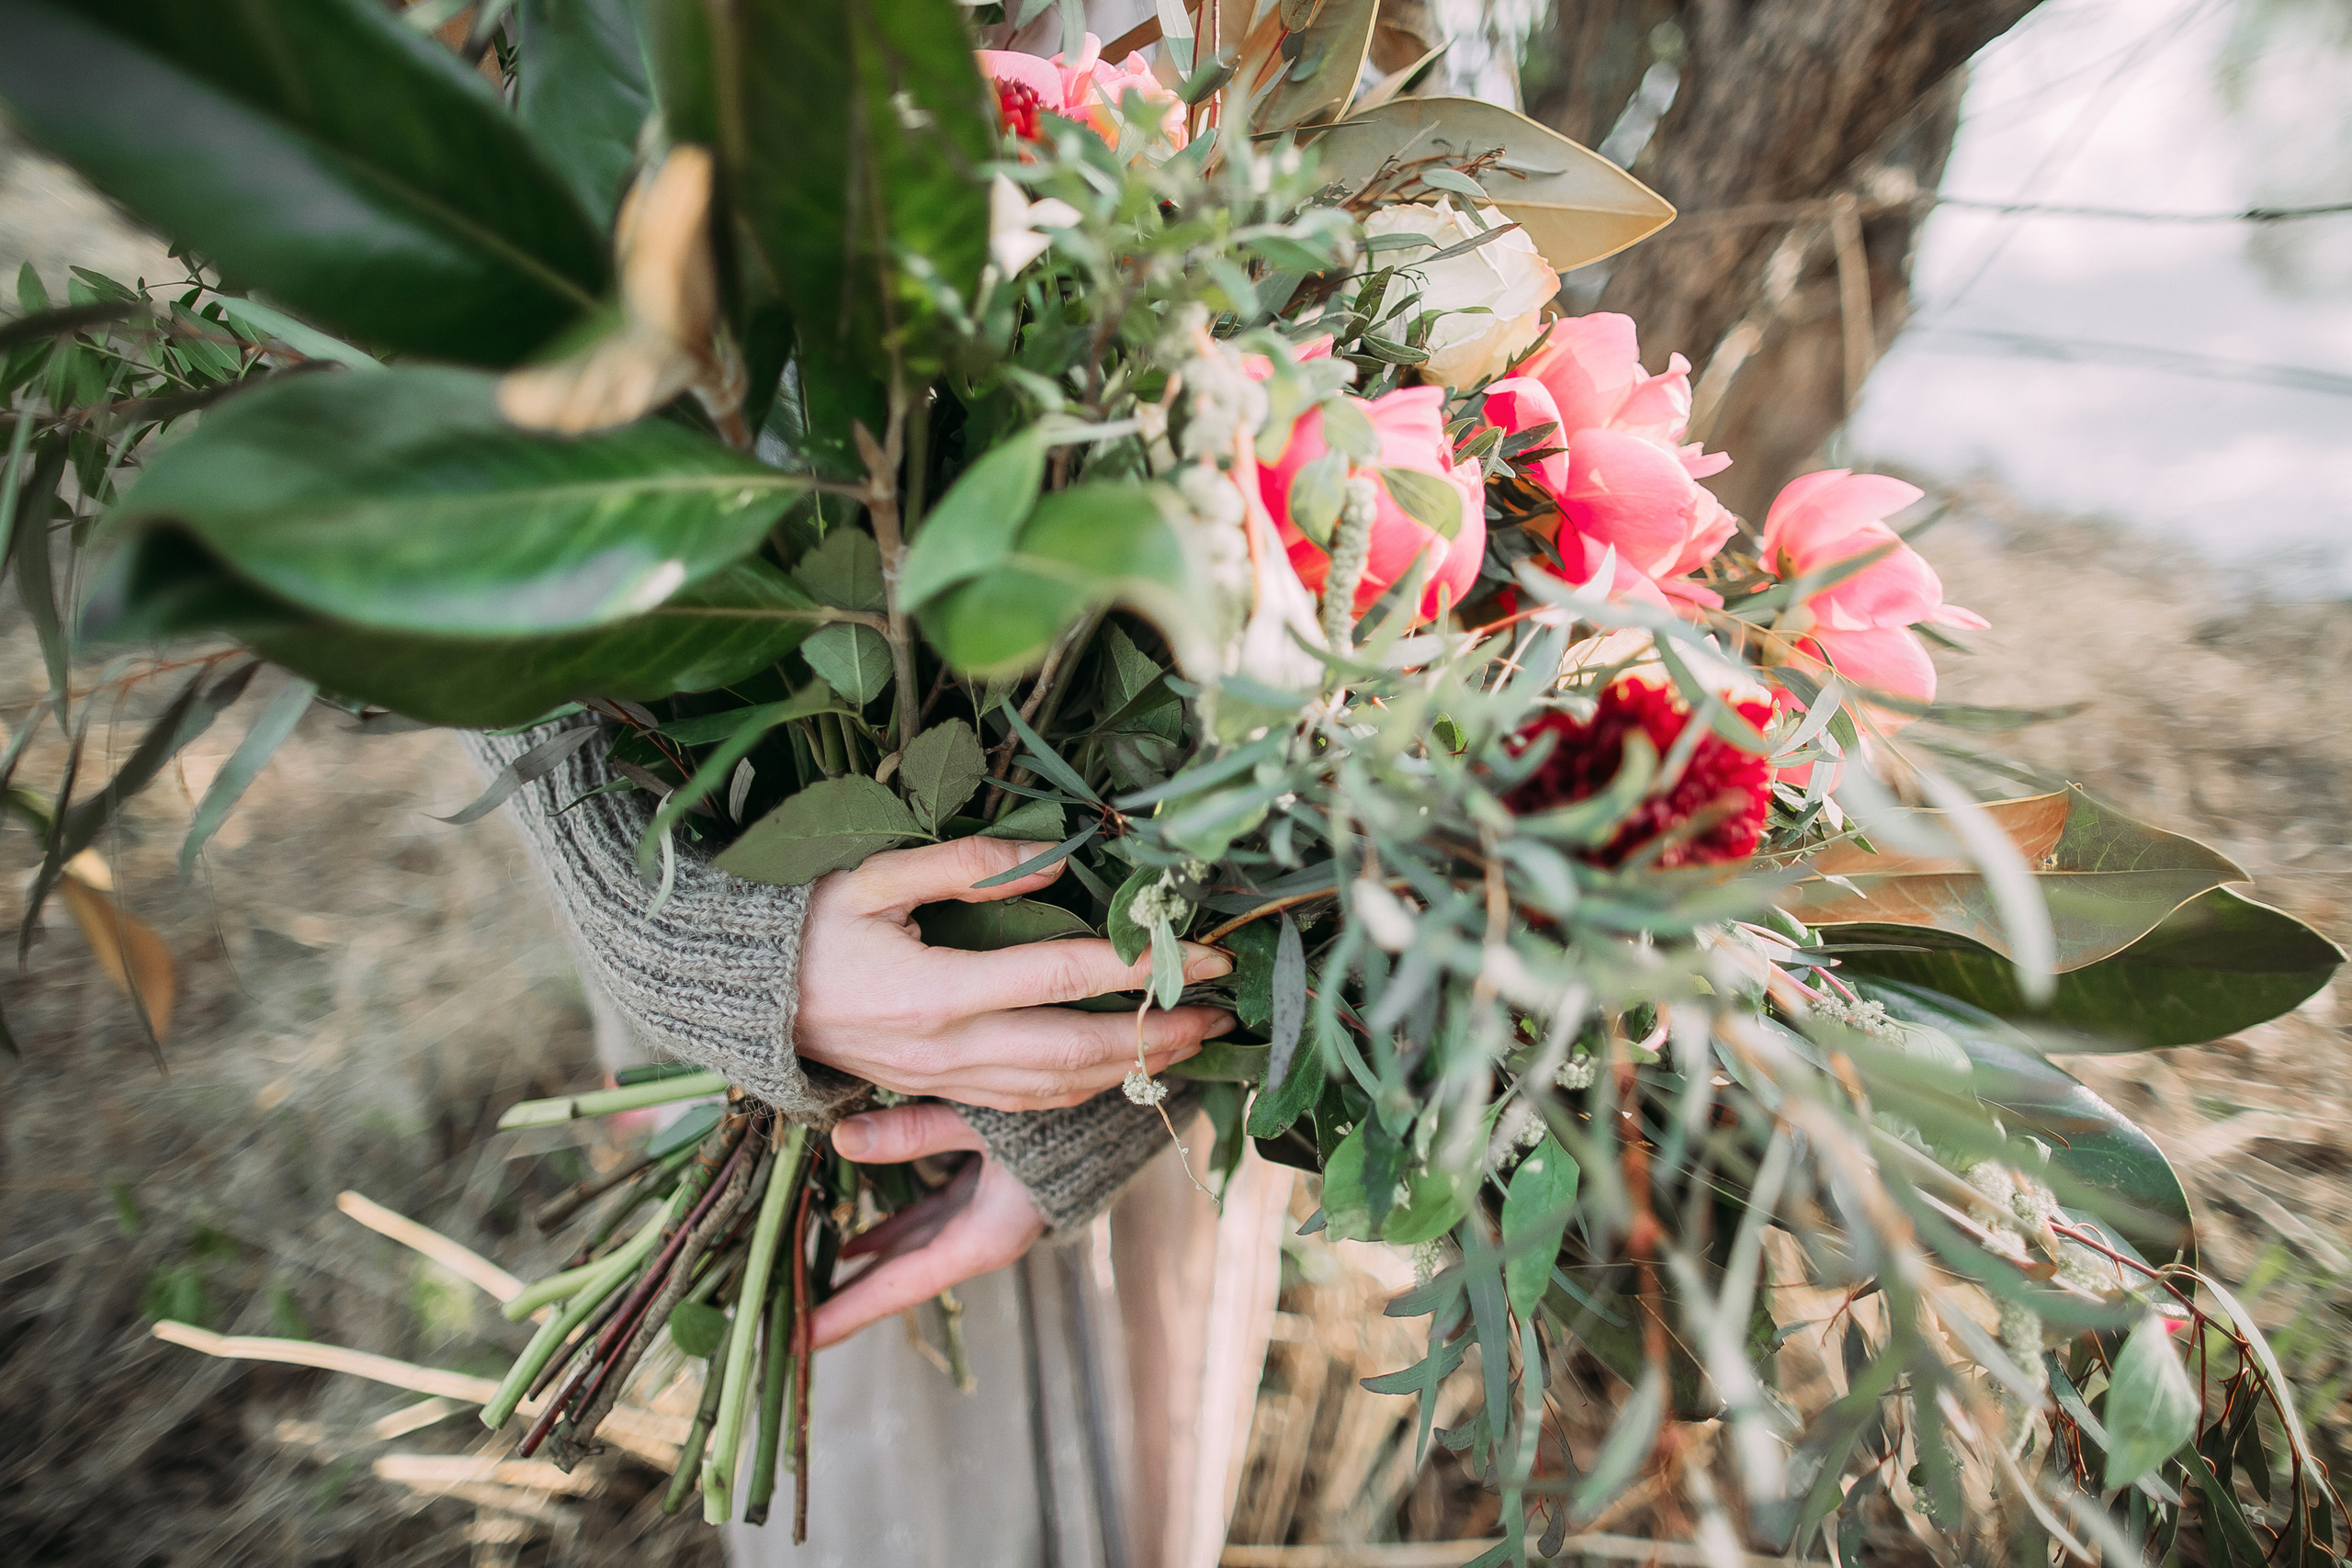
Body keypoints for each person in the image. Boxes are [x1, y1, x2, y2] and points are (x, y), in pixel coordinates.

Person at [468, 719, 1291, 1568]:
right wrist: (674, 936)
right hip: (712, 923)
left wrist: (1131, 1072)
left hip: (1140, 1014)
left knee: (1133, 1443)